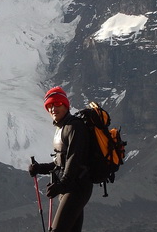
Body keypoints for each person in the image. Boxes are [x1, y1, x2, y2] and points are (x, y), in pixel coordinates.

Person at [28, 86, 93, 232]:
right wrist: (40, 168)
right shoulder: (62, 128)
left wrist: (62, 185)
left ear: (65, 105)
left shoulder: (75, 126)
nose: (52, 109)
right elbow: (60, 163)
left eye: (57, 104)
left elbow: (74, 159)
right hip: (70, 187)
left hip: (77, 188)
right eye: (49, 106)